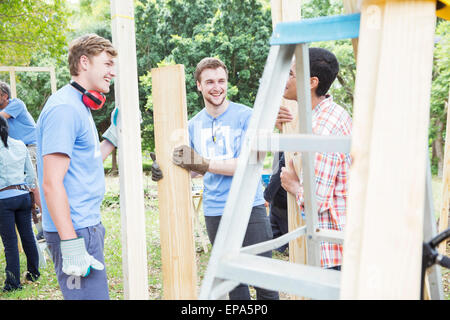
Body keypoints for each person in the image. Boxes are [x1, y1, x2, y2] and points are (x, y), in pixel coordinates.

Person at [164, 57, 279, 300]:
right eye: (209, 82)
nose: (217, 87)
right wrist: (166, 167)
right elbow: (194, 169)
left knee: (265, 283)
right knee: (232, 284)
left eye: (221, 81)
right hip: (215, 211)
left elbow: (248, 164)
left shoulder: (246, 116)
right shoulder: (193, 125)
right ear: (198, 85)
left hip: (249, 207)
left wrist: (203, 163)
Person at [36, 34, 117, 300]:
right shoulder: (65, 109)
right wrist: (71, 243)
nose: (111, 72)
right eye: (106, 64)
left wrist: (114, 136)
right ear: (84, 62)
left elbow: (87, 162)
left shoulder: (79, 106)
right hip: (75, 230)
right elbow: (51, 183)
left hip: (85, 226)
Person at [277, 47, 352, 271]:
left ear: (311, 82)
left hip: (335, 249)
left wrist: (293, 185)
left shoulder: (322, 130)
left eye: (290, 74)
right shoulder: (326, 114)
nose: (285, 79)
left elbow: (316, 200)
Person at [0, 115, 40, 292]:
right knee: (28, 235)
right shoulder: (19, 144)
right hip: (23, 195)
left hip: (3, 199)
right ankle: (33, 272)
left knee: (10, 242)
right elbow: (31, 176)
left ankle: (13, 283)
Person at [0, 81, 43, 236]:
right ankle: (41, 224)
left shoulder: (16, 104)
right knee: (26, 187)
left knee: (32, 184)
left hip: (30, 147)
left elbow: (1, 117)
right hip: (19, 150)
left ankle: (47, 222)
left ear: (4, 96)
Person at [263, 152, 288, 254]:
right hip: (278, 201)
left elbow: (279, 169)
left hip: (284, 203)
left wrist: (267, 195)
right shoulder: (281, 145)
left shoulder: (287, 146)